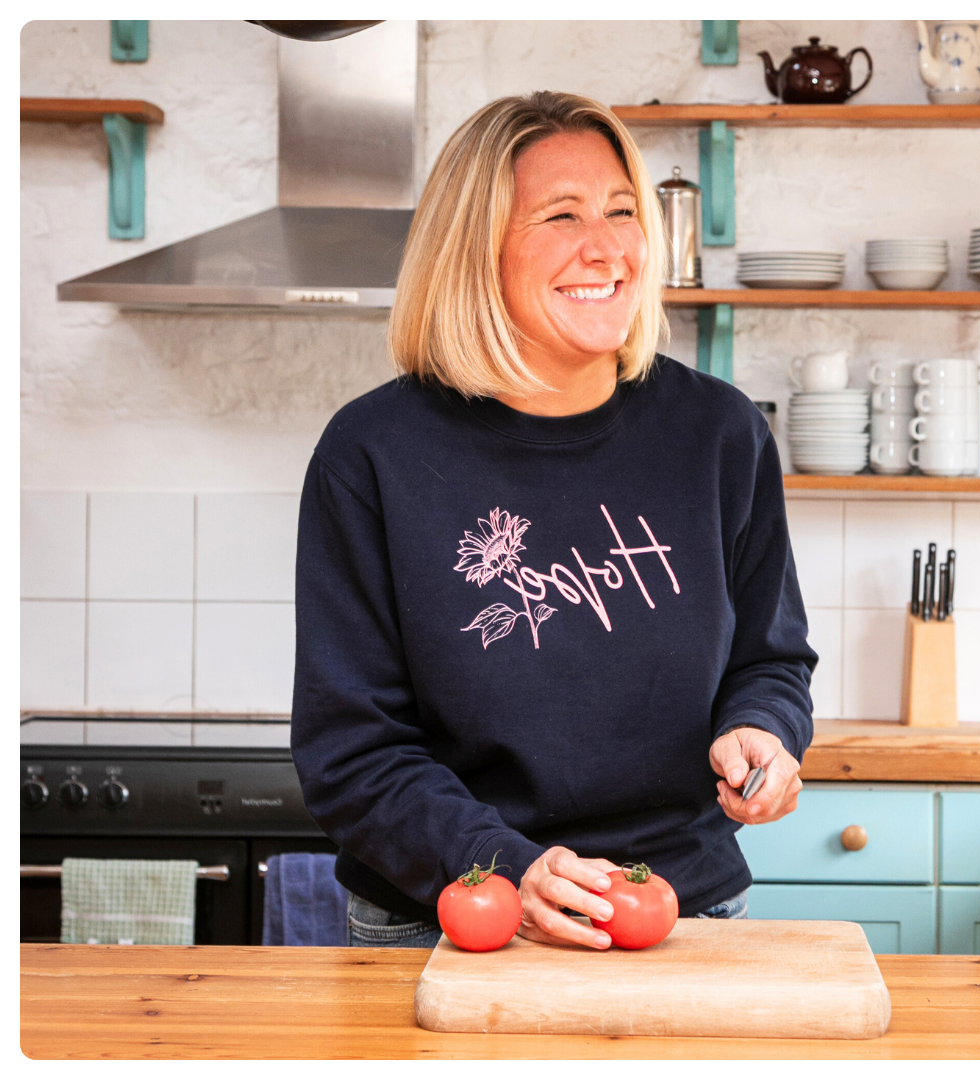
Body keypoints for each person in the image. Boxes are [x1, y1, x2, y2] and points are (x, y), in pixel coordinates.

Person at [291, 90, 817, 951]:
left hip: (678, 912)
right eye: (562, 215)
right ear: (475, 251)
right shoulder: (372, 454)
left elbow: (770, 657)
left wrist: (762, 730)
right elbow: (350, 751)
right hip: (451, 920)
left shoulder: (719, 436)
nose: (606, 247)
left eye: (622, 212)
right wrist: (501, 864)